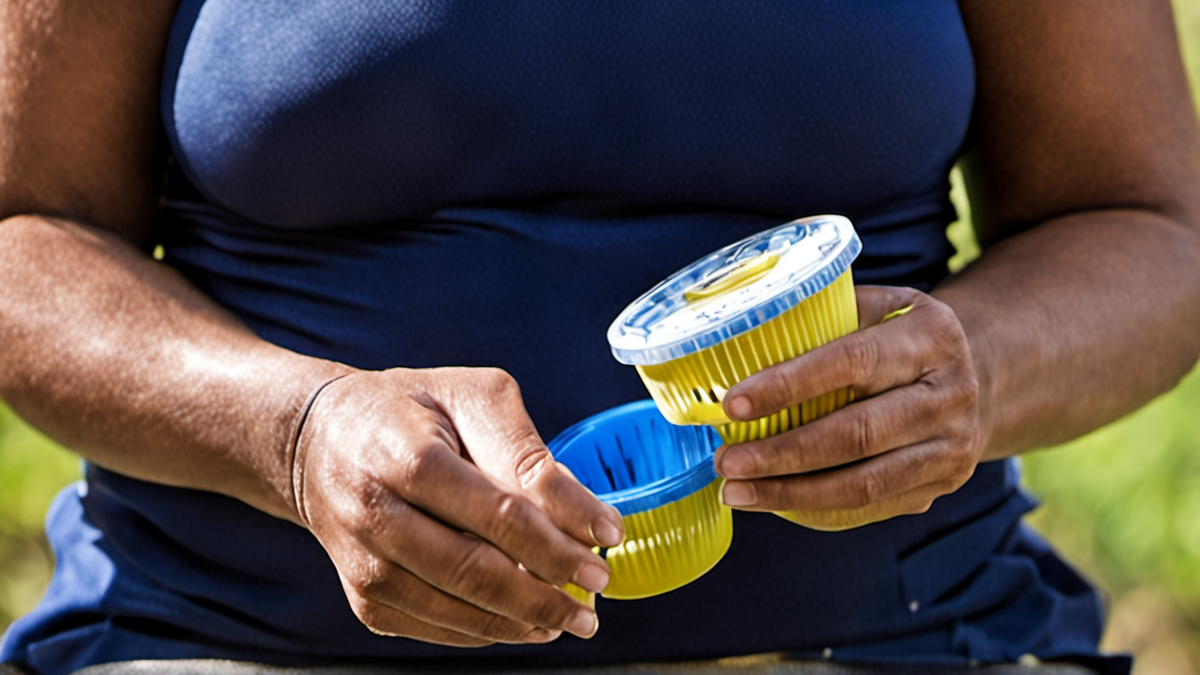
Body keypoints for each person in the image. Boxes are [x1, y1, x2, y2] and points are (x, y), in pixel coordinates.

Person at [1, 1, 1198, 674]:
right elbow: (23, 235)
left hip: (902, 638)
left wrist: (972, 368)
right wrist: (297, 433)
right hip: (241, 642)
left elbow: (1150, 227)